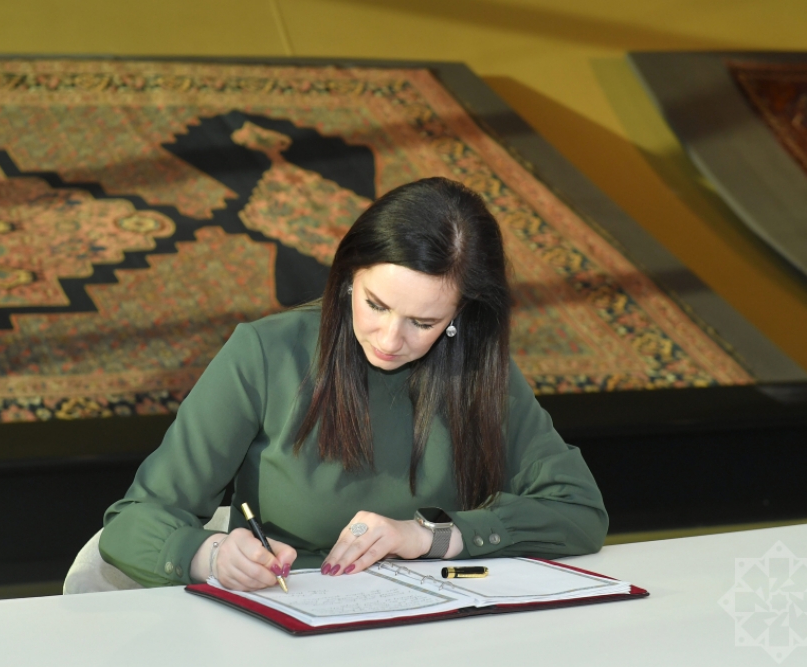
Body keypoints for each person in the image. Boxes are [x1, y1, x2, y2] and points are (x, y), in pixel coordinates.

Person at [99, 177, 608, 592]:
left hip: (434, 630)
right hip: (287, 617)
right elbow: (134, 519)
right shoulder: (266, 353)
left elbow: (578, 510)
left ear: (460, 316)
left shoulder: (480, 370)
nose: (390, 339)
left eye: (423, 323)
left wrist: (429, 537)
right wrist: (210, 555)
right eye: (375, 305)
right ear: (348, 278)